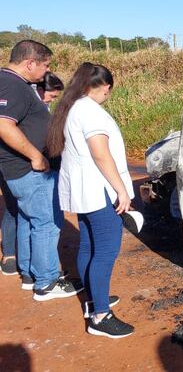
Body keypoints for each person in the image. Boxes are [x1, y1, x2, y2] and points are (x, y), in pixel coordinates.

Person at [47, 62, 135, 338]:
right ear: (106, 87)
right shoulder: (91, 112)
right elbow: (100, 153)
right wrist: (120, 189)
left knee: (88, 244)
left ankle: (94, 301)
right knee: (106, 251)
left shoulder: (72, 108)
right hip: (99, 191)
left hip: (81, 191)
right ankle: (100, 316)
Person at [0, 40, 79, 298]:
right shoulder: (13, 85)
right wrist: (35, 156)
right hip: (28, 170)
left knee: (28, 219)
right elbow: (3, 125)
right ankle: (46, 282)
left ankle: (29, 273)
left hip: (17, 171)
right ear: (29, 63)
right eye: (45, 65)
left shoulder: (14, 83)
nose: (47, 71)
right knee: (46, 223)